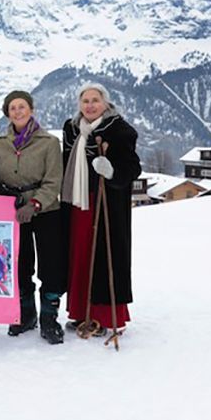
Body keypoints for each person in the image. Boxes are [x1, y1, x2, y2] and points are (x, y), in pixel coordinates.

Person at [61, 83, 141, 336]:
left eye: (95, 100)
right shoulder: (72, 128)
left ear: (105, 103)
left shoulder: (120, 130)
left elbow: (132, 168)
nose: (90, 106)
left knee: (104, 256)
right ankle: (79, 312)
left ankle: (103, 315)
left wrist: (112, 171)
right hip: (77, 201)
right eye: (85, 101)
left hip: (106, 203)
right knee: (80, 255)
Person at [0, 90, 67, 344]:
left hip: (45, 210)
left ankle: (49, 318)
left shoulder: (48, 142)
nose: (18, 111)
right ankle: (26, 315)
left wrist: (35, 203)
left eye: (22, 106)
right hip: (13, 212)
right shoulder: (0, 142)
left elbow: (54, 179)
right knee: (21, 263)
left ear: (31, 109)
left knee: (50, 265)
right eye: (12, 108)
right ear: (7, 112)